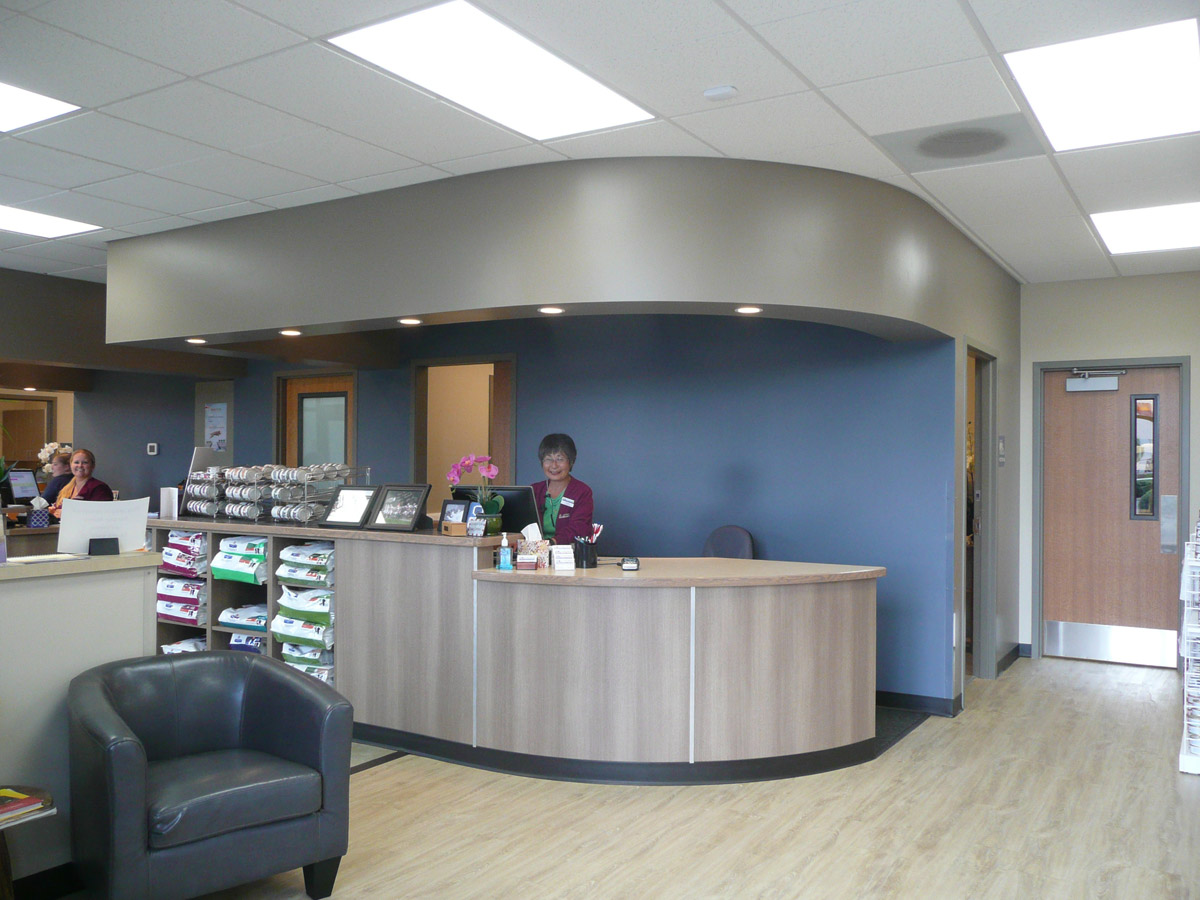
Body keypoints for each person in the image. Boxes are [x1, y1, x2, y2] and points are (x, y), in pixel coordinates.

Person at [531, 433, 593, 545]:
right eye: (548, 459)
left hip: (568, 555)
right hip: (534, 553)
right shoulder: (534, 490)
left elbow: (579, 527)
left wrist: (551, 543)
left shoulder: (582, 491)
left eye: (560, 459)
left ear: (571, 462)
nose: (554, 465)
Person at [49, 448, 114, 516]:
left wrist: (67, 513)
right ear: (71, 465)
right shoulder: (66, 488)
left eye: (85, 462)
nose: (80, 465)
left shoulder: (100, 488)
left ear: (93, 466)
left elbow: (101, 515)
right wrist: (54, 511)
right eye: (76, 462)